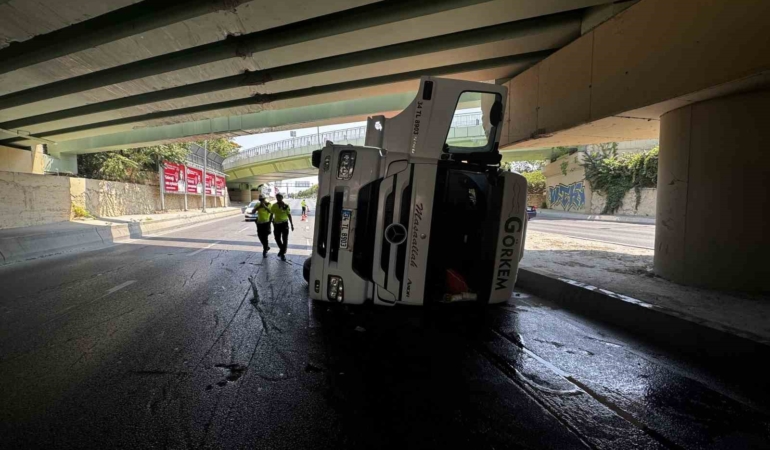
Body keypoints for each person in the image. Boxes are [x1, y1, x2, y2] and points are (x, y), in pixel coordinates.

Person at [270, 193, 294, 261]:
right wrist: (269, 223)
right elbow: (271, 215)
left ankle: (282, 254)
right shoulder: (274, 206)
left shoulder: (286, 206)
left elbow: (289, 215)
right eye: (277, 197)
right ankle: (282, 250)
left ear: (282, 198)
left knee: (285, 239)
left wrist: (292, 224)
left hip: (284, 224)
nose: (278, 199)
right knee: (277, 238)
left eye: (279, 197)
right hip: (277, 225)